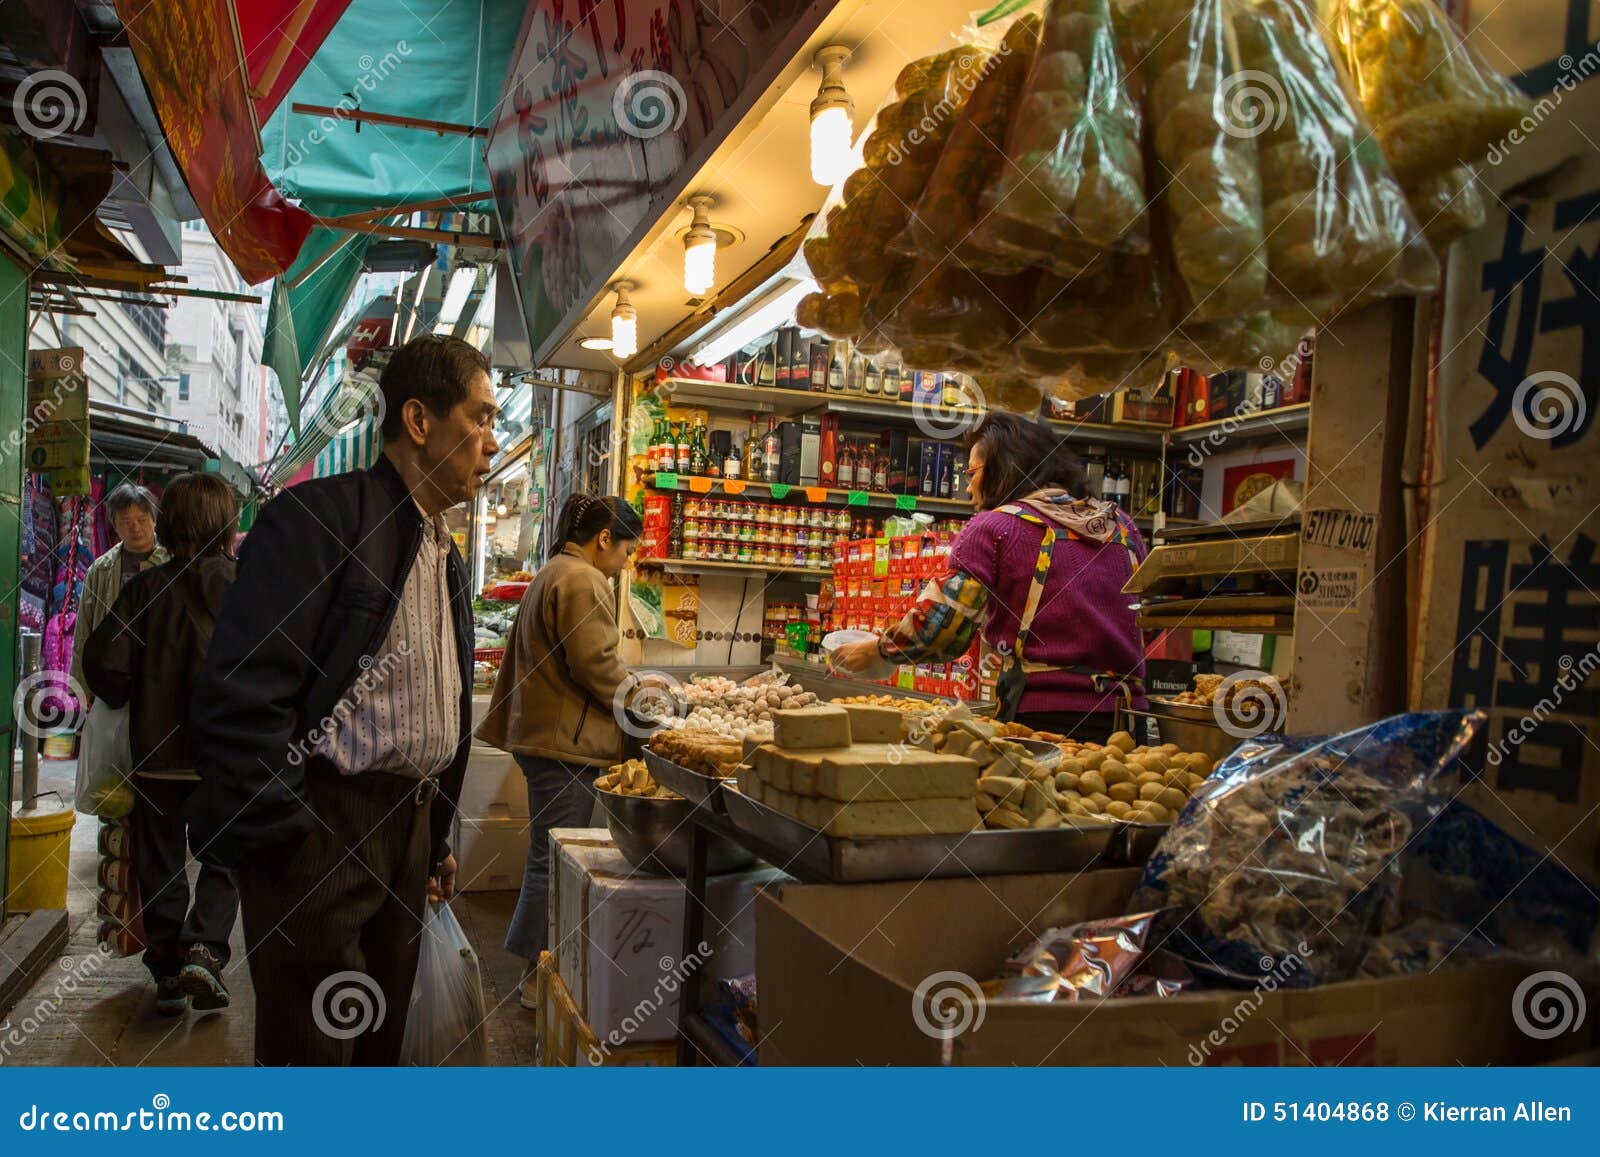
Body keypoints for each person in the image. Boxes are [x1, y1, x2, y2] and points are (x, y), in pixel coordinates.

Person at [186, 334, 498, 1065]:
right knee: (313, 1051)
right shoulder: (318, 521)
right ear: (419, 421)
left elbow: (433, 702)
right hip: (323, 828)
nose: (491, 441)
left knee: (378, 1048)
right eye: (480, 418)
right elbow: (239, 695)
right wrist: (289, 838)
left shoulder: (443, 553)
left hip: (406, 834)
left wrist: (433, 834)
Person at [830, 412, 1148, 741]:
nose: (968, 488)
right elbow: (1145, 618)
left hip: (1043, 721)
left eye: (972, 473)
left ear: (1003, 468)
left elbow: (942, 627)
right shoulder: (1121, 526)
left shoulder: (995, 527)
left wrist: (879, 652)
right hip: (1129, 720)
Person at [476, 493, 642, 1009]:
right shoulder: (581, 579)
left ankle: (541, 966)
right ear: (604, 538)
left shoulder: (557, 571)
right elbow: (597, 667)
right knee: (553, 862)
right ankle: (534, 974)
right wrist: (648, 701)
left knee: (549, 857)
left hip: (549, 740)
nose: (627, 562)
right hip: (564, 747)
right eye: (626, 550)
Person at [84, 473, 241, 1015]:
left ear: (167, 525)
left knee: (161, 862)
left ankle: (169, 967)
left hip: (157, 761)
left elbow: (106, 668)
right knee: (223, 857)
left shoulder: (143, 590)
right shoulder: (250, 590)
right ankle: (206, 949)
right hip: (225, 758)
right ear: (227, 524)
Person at [71, 483, 168, 697]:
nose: (135, 528)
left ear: (154, 519)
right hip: (110, 677)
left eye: (142, 520)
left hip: (158, 677)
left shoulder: (171, 564)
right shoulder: (100, 569)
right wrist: (80, 689)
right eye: (125, 521)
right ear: (114, 525)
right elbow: (83, 631)